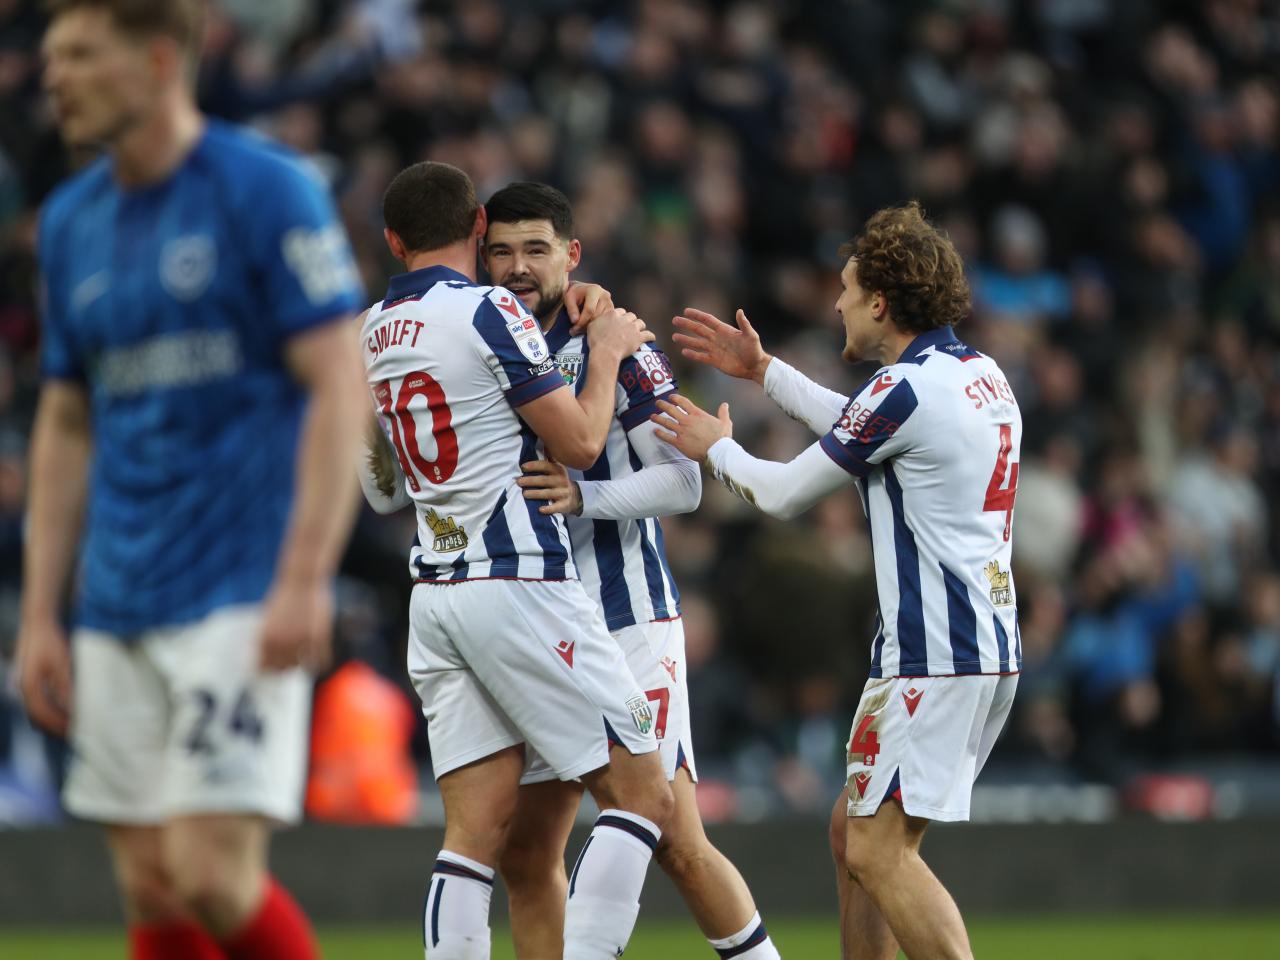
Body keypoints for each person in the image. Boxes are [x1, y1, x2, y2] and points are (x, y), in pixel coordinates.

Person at [16, 2, 368, 959]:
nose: (56, 76)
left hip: (242, 586)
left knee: (212, 874)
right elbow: (66, 416)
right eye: (51, 56)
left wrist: (303, 576)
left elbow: (341, 384)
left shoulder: (266, 190)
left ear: (159, 60)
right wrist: (42, 612)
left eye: (81, 54)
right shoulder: (69, 225)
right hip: (116, 595)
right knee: (153, 887)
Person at [654, 201, 1021, 960]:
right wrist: (763, 372)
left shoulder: (904, 393)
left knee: (879, 852)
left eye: (848, 289)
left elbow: (787, 493)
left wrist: (715, 448)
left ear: (881, 302)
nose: (837, 302)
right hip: (982, 645)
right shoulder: (975, 375)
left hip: (933, 652)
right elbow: (866, 422)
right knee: (852, 832)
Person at [360, 161, 673, 960]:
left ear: (393, 241)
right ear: (475, 231)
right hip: (520, 584)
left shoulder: (366, 332)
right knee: (642, 792)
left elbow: (382, 492)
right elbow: (577, 442)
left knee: (474, 836)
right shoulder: (490, 309)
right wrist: (602, 352)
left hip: (434, 598)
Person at [481, 181, 782, 960]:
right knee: (525, 853)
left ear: (571, 256)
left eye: (536, 249)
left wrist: (585, 496)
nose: (517, 266)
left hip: (627, 621)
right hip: (532, 625)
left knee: (674, 834)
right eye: (502, 250)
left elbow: (684, 482)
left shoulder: (617, 344)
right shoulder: (480, 344)